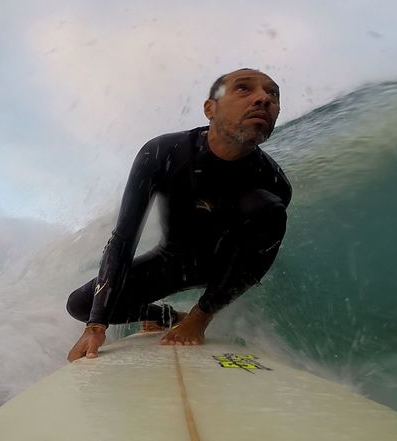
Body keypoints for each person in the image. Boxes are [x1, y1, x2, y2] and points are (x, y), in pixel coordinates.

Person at [66, 68, 292, 362]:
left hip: (222, 269)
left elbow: (255, 262)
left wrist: (200, 319)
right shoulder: (163, 152)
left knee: (268, 208)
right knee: (80, 305)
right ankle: (166, 315)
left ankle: (198, 313)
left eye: (272, 94)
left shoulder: (274, 184)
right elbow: (123, 239)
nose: (263, 99)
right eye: (244, 89)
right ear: (210, 108)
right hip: (172, 260)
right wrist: (96, 325)